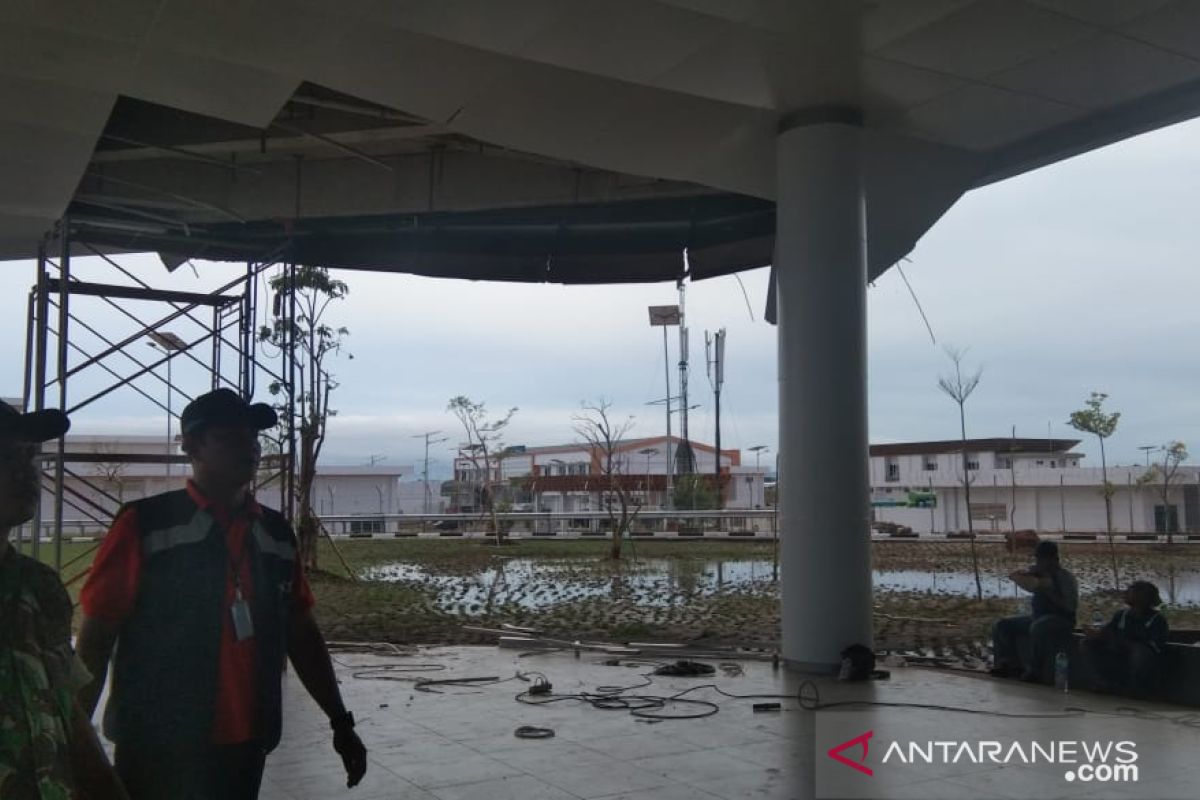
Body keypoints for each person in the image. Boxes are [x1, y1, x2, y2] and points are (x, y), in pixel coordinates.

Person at [76, 389, 367, 800]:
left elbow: (300, 632)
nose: (249, 446)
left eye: (252, 436)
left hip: (249, 742)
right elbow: (95, 640)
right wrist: (71, 745)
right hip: (158, 746)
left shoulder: (276, 534)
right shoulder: (145, 526)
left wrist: (341, 721)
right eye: (229, 436)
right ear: (191, 446)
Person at [0, 400, 128, 800]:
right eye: (5, 456)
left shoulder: (38, 586)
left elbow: (66, 712)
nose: (26, 469)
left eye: (31, 454)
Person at [990, 540, 1079, 683]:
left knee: (1038, 627)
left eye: (1042, 560)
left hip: (1062, 619)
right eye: (1038, 560)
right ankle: (1009, 663)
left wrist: (1048, 590)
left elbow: (1069, 607)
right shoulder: (1038, 575)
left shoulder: (1065, 578)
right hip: (1038, 617)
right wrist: (1026, 577)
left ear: (1053, 560)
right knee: (1002, 625)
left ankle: (1035, 670)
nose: (1039, 563)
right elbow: (1021, 579)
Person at [1082, 581, 1168, 697]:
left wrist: (1127, 643)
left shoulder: (1157, 620)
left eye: (1131, 590)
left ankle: (1135, 689)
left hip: (1141, 660)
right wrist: (1096, 634)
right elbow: (1108, 631)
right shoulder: (1121, 615)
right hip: (1117, 652)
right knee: (1087, 643)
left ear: (1143, 596)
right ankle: (1101, 683)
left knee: (1139, 652)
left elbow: (1155, 647)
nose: (1126, 593)